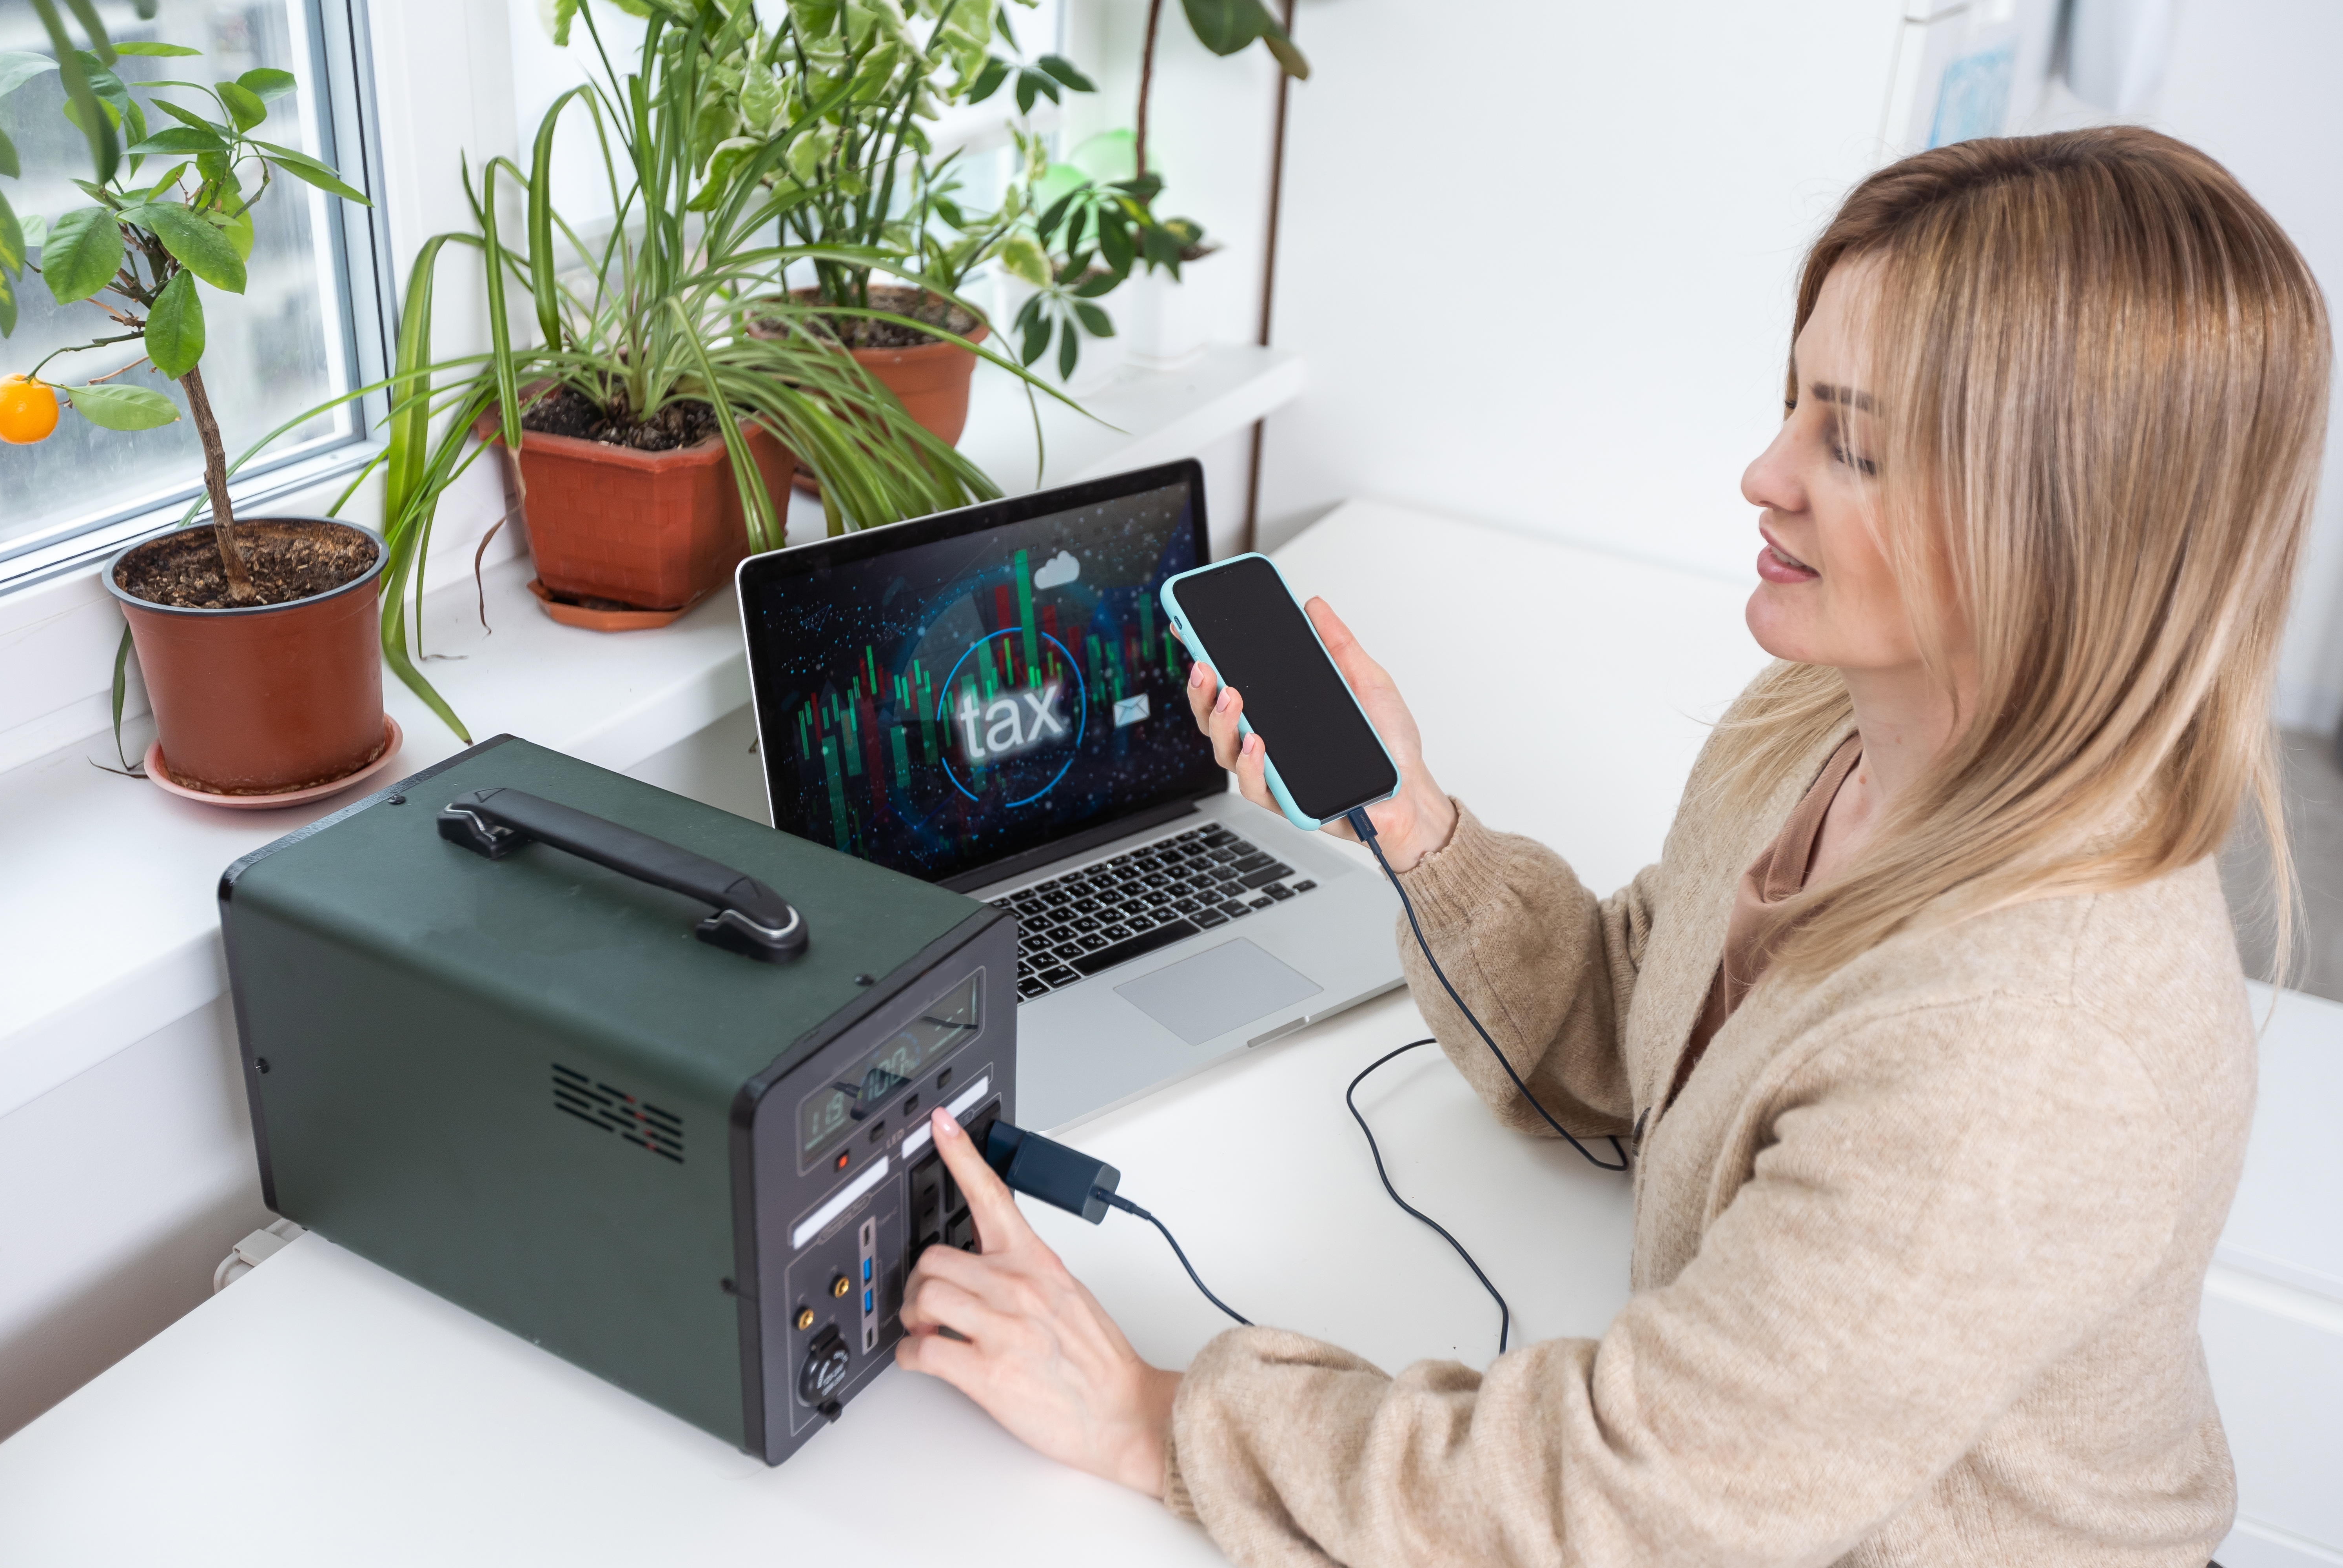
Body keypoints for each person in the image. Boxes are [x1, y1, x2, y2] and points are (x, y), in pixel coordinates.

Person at [893, 126, 2331, 1566]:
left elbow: (1623, 1505)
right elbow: (1638, 1034)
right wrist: (1413, 822)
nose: (1765, 474)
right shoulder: (1818, 720)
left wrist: (1154, 1418)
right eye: (1791, 406)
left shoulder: (2027, 1055)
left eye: (1857, 445)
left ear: (2064, 532)